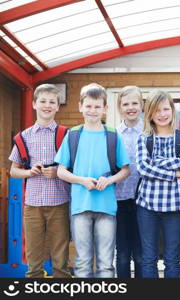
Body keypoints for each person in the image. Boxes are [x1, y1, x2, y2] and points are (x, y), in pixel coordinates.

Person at [55, 83, 130, 278]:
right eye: (88, 106)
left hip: (107, 206)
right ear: (80, 107)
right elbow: (61, 171)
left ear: (105, 109)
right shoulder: (73, 135)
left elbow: (125, 170)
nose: (92, 111)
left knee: (106, 264)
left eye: (97, 107)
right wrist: (81, 180)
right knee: (82, 263)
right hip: (80, 206)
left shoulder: (113, 135)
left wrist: (110, 180)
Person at [9, 84, 71, 278]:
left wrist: (58, 171)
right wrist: (29, 173)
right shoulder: (23, 137)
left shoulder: (66, 135)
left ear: (58, 106)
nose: (47, 105)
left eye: (52, 102)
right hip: (32, 205)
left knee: (61, 259)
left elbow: (74, 167)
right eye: (43, 101)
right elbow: (13, 171)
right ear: (34, 104)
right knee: (33, 259)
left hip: (59, 203)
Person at [136, 90, 180, 278]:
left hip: (176, 206)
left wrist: (157, 161)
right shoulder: (144, 138)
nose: (162, 114)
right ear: (150, 113)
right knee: (149, 257)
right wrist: (173, 174)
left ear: (172, 110)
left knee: (172, 258)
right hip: (147, 206)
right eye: (156, 110)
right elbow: (143, 169)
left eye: (166, 109)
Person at [115, 86, 144, 278]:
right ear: (119, 107)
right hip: (119, 200)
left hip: (145, 202)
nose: (131, 107)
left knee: (142, 255)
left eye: (135, 103)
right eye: (126, 104)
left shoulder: (151, 131)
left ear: (142, 105)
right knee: (123, 254)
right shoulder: (113, 133)